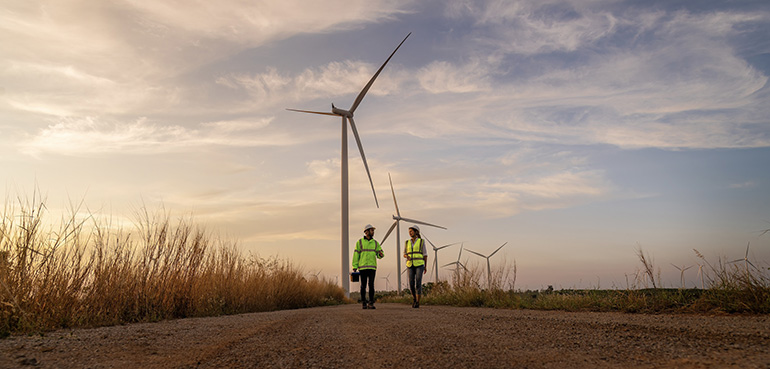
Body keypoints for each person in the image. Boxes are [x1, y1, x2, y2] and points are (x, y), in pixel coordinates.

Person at [352, 224, 384, 309]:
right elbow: (356, 254)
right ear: (366, 232)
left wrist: (380, 254)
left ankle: (371, 303)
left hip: (372, 267)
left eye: (373, 230)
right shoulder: (360, 242)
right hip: (362, 267)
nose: (373, 232)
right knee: (363, 285)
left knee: (371, 285)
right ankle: (364, 302)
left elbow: (380, 254)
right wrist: (354, 266)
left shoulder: (375, 243)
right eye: (371, 230)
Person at [404, 225, 428, 308]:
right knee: (411, 283)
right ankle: (414, 298)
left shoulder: (421, 242)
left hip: (419, 264)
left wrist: (425, 266)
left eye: (411, 231)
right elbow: (404, 253)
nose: (410, 233)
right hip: (410, 264)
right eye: (409, 231)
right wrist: (406, 256)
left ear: (416, 232)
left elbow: (425, 254)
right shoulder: (407, 242)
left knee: (418, 282)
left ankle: (417, 302)